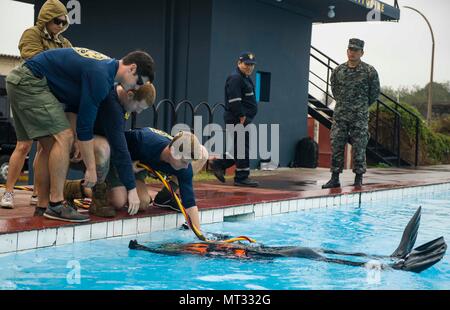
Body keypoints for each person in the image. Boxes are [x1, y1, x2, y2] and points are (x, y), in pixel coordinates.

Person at [5, 47, 155, 222]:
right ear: (132, 68)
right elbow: (85, 127)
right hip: (30, 81)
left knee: (49, 146)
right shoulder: (101, 76)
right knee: (65, 137)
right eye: (138, 82)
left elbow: (73, 105)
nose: (136, 87)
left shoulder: (105, 68)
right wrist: (91, 169)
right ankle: (56, 204)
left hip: (22, 79)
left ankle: (43, 206)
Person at [130, 207, 447, 274]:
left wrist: (146, 248)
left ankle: (389, 259)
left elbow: (180, 248)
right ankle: (388, 263)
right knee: (316, 253)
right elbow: (170, 251)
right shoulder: (197, 249)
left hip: (268, 252)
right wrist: (143, 247)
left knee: (318, 252)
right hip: (270, 254)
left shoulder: (202, 246)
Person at [0, 0, 72, 209]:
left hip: (47, 95)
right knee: (24, 145)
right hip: (28, 92)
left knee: (46, 145)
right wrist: (60, 65)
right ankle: (9, 192)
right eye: (56, 21)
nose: (59, 25)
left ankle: (38, 192)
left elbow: (70, 63)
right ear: (46, 19)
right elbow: (33, 58)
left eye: (63, 22)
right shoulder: (31, 33)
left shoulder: (64, 42)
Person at [62, 82, 156, 218]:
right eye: (138, 106)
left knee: (131, 201)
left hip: (107, 151)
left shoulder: (122, 102)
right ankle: (96, 197)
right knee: (118, 200)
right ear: (129, 95)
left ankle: (76, 187)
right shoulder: (111, 103)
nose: (138, 111)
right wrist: (131, 188)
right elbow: (120, 149)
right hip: (85, 147)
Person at [106, 128, 208, 231]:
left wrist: (198, 237)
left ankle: (165, 197)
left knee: (142, 203)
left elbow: (190, 204)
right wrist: (127, 167)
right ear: (172, 152)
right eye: (184, 162)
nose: (186, 167)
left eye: (188, 162)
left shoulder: (184, 167)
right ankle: (98, 189)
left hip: (140, 166)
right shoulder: (143, 141)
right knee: (118, 201)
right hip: (122, 161)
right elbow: (116, 147)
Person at [322, 39, 380, 189]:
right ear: (347, 51)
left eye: (355, 50)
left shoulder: (369, 71)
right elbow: (334, 89)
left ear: (362, 53)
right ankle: (335, 177)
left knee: (359, 146)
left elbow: (374, 94)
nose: (352, 53)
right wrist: (344, 103)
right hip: (341, 115)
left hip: (359, 116)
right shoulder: (338, 71)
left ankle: (358, 178)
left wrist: (360, 106)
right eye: (350, 49)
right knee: (337, 144)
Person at [210, 52, 259, 187]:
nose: (249, 67)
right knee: (243, 147)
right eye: (246, 64)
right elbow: (234, 100)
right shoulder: (236, 78)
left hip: (243, 119)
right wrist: (241, 115)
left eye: (252, 65)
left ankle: (219, 164)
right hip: (238, 119)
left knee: (239, 147)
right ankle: (241, 177)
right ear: (239, 63)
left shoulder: (245, 77)